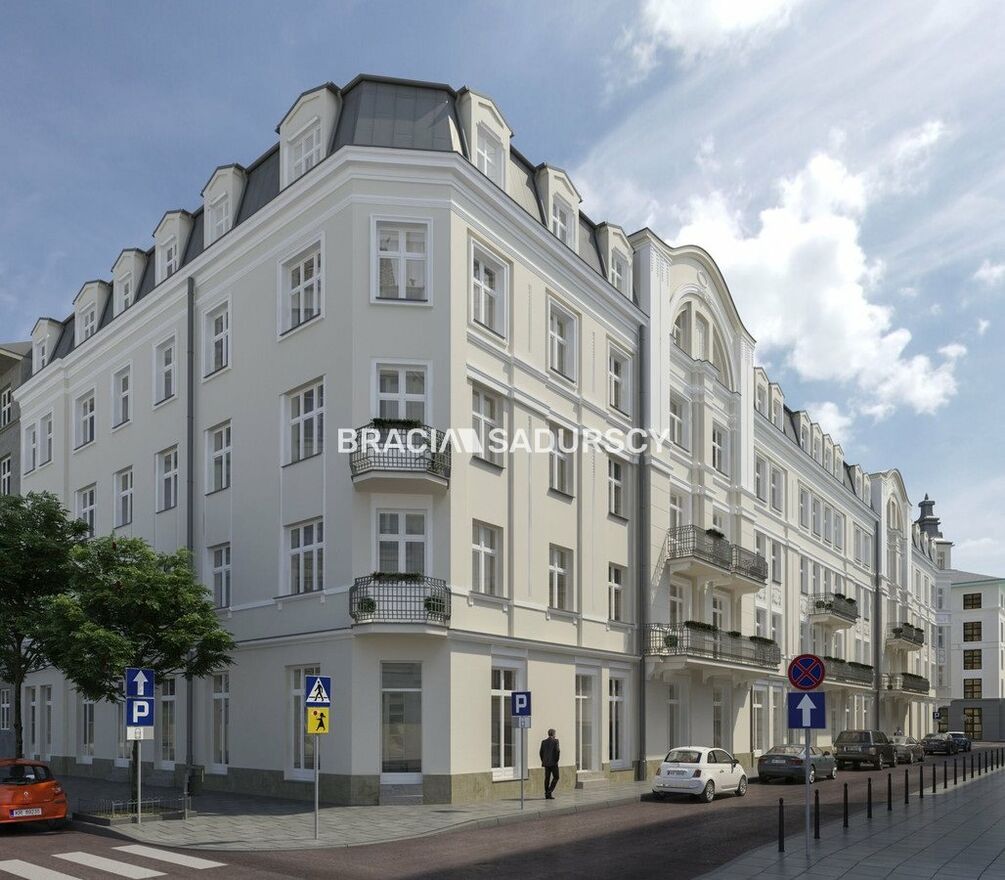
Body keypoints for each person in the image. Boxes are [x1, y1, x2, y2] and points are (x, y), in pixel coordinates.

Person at [540, 728, 560, 799]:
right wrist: (556, 761)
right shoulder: (556, 741)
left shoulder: (543, 742)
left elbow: (541, 753)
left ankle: (547, 794)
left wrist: (543, 760)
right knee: (556, 777)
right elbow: (557, 751)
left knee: (547, 778)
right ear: (554, 734)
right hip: (553, 763)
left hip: (546, 763)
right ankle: (549, 792)